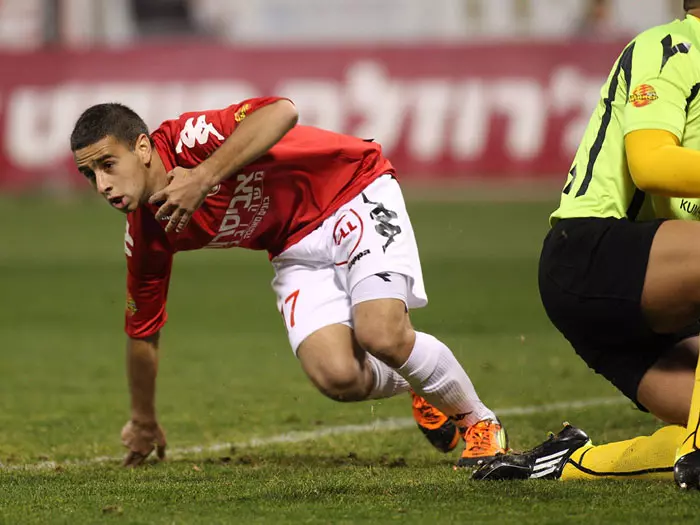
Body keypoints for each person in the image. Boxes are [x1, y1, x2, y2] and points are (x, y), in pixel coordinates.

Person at [69, 97, 507, 468]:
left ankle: (481, 423)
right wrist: (143, 420)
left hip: (352, 189)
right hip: (293, 245)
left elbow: (282, 111)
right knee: (339, 377)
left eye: (109, 165)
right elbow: (143, 333)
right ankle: (421, 381)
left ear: (143, 148)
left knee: (380, 333)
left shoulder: (189, 141)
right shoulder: (147, 234)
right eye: (91, 176)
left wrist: (203, 177)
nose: (103, 185)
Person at [473, 2, 700, 488]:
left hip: (664, 287)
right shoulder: (670, 47)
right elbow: (652, 164)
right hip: (591, 255)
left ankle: (568, 462)